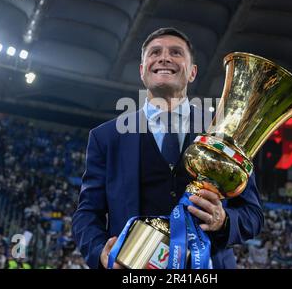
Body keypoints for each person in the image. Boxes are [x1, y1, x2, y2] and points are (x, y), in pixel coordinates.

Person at [72, 27, 264, 269]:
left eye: (176, 52)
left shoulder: (226, 133)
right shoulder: (106, 137)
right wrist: (101, 252)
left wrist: (224, 220)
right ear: (142, 70)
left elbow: (253, 215)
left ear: (192, 72)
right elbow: (87, 213)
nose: (164, 58)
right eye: (154, 52)